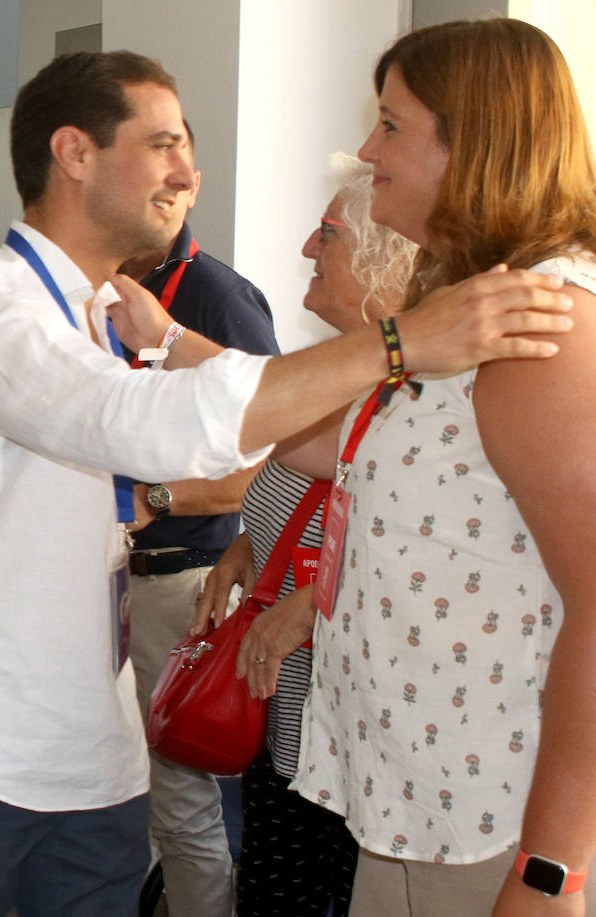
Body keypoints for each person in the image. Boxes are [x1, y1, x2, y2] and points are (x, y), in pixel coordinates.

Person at [0, 48, 572, 916]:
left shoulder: (94, 313)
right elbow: (151, 426)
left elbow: (321, 436)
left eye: (389, 124)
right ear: (75, 153)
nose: (188, 173)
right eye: (162, 144)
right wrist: (397, 342)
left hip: (95, 758)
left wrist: (175, 342)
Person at [283, 19, 596, 917]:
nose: (367, 150)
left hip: (496, 834)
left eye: (391, 125)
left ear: (476, 143)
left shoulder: (543, 331)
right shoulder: (464, 309)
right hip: (427, 812)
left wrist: (552, 869)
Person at [193, 154, 418, 916]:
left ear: (385, 260)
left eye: (328, 234)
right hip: (285, 730)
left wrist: (316, 601)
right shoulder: (335, 374)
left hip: (350, 750)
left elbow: (408, 549)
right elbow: (309, 488)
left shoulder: (413, 397)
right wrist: (246, 546)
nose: (305, 249)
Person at [119, 119, 279, 917]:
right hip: (116, 576)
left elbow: (261, 463)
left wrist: (148, 502)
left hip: (183, 579)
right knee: (147, 797)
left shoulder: (218, 296)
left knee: (187, 804)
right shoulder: (102, 291)